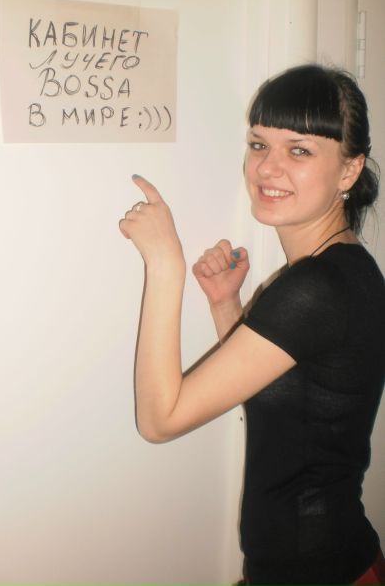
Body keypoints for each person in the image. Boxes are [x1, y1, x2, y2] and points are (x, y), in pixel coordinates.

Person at [119, 64, 385, 586]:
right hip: (321, 562)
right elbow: (287, 397)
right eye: (259, 144)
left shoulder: (316, 289)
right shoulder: (340, 270)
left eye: (299, 150)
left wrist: (165, 264)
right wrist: (227, 305)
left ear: (349, 171)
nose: (267, 167)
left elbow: (159, 420)